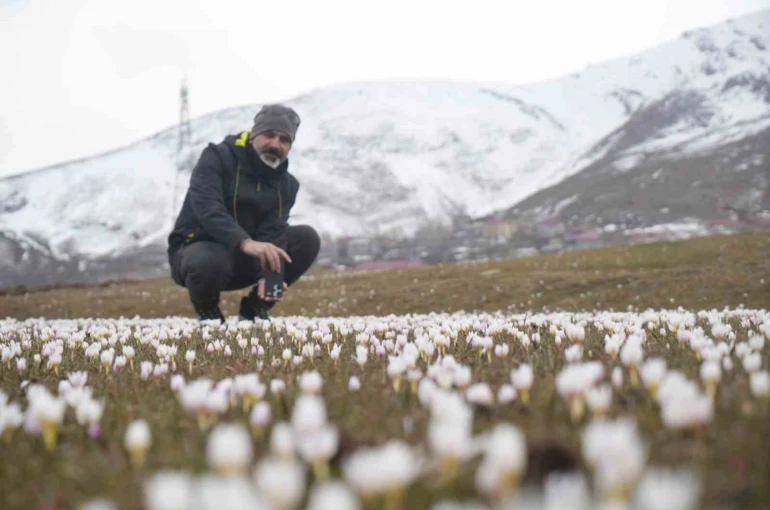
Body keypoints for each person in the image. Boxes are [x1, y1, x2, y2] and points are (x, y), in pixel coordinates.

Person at [167, 104, 320, 322]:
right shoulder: (217, 157)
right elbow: (208, 208)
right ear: (254, 134)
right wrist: (245, 242)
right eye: (269, 135)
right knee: (207, 260)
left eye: (284, 140)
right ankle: (210, 316)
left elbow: (273, 230)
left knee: (307, 238)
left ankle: (255, 311)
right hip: (199, 256)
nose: (275, 144)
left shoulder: (287, 185)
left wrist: (272, 277)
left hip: (247, 261)